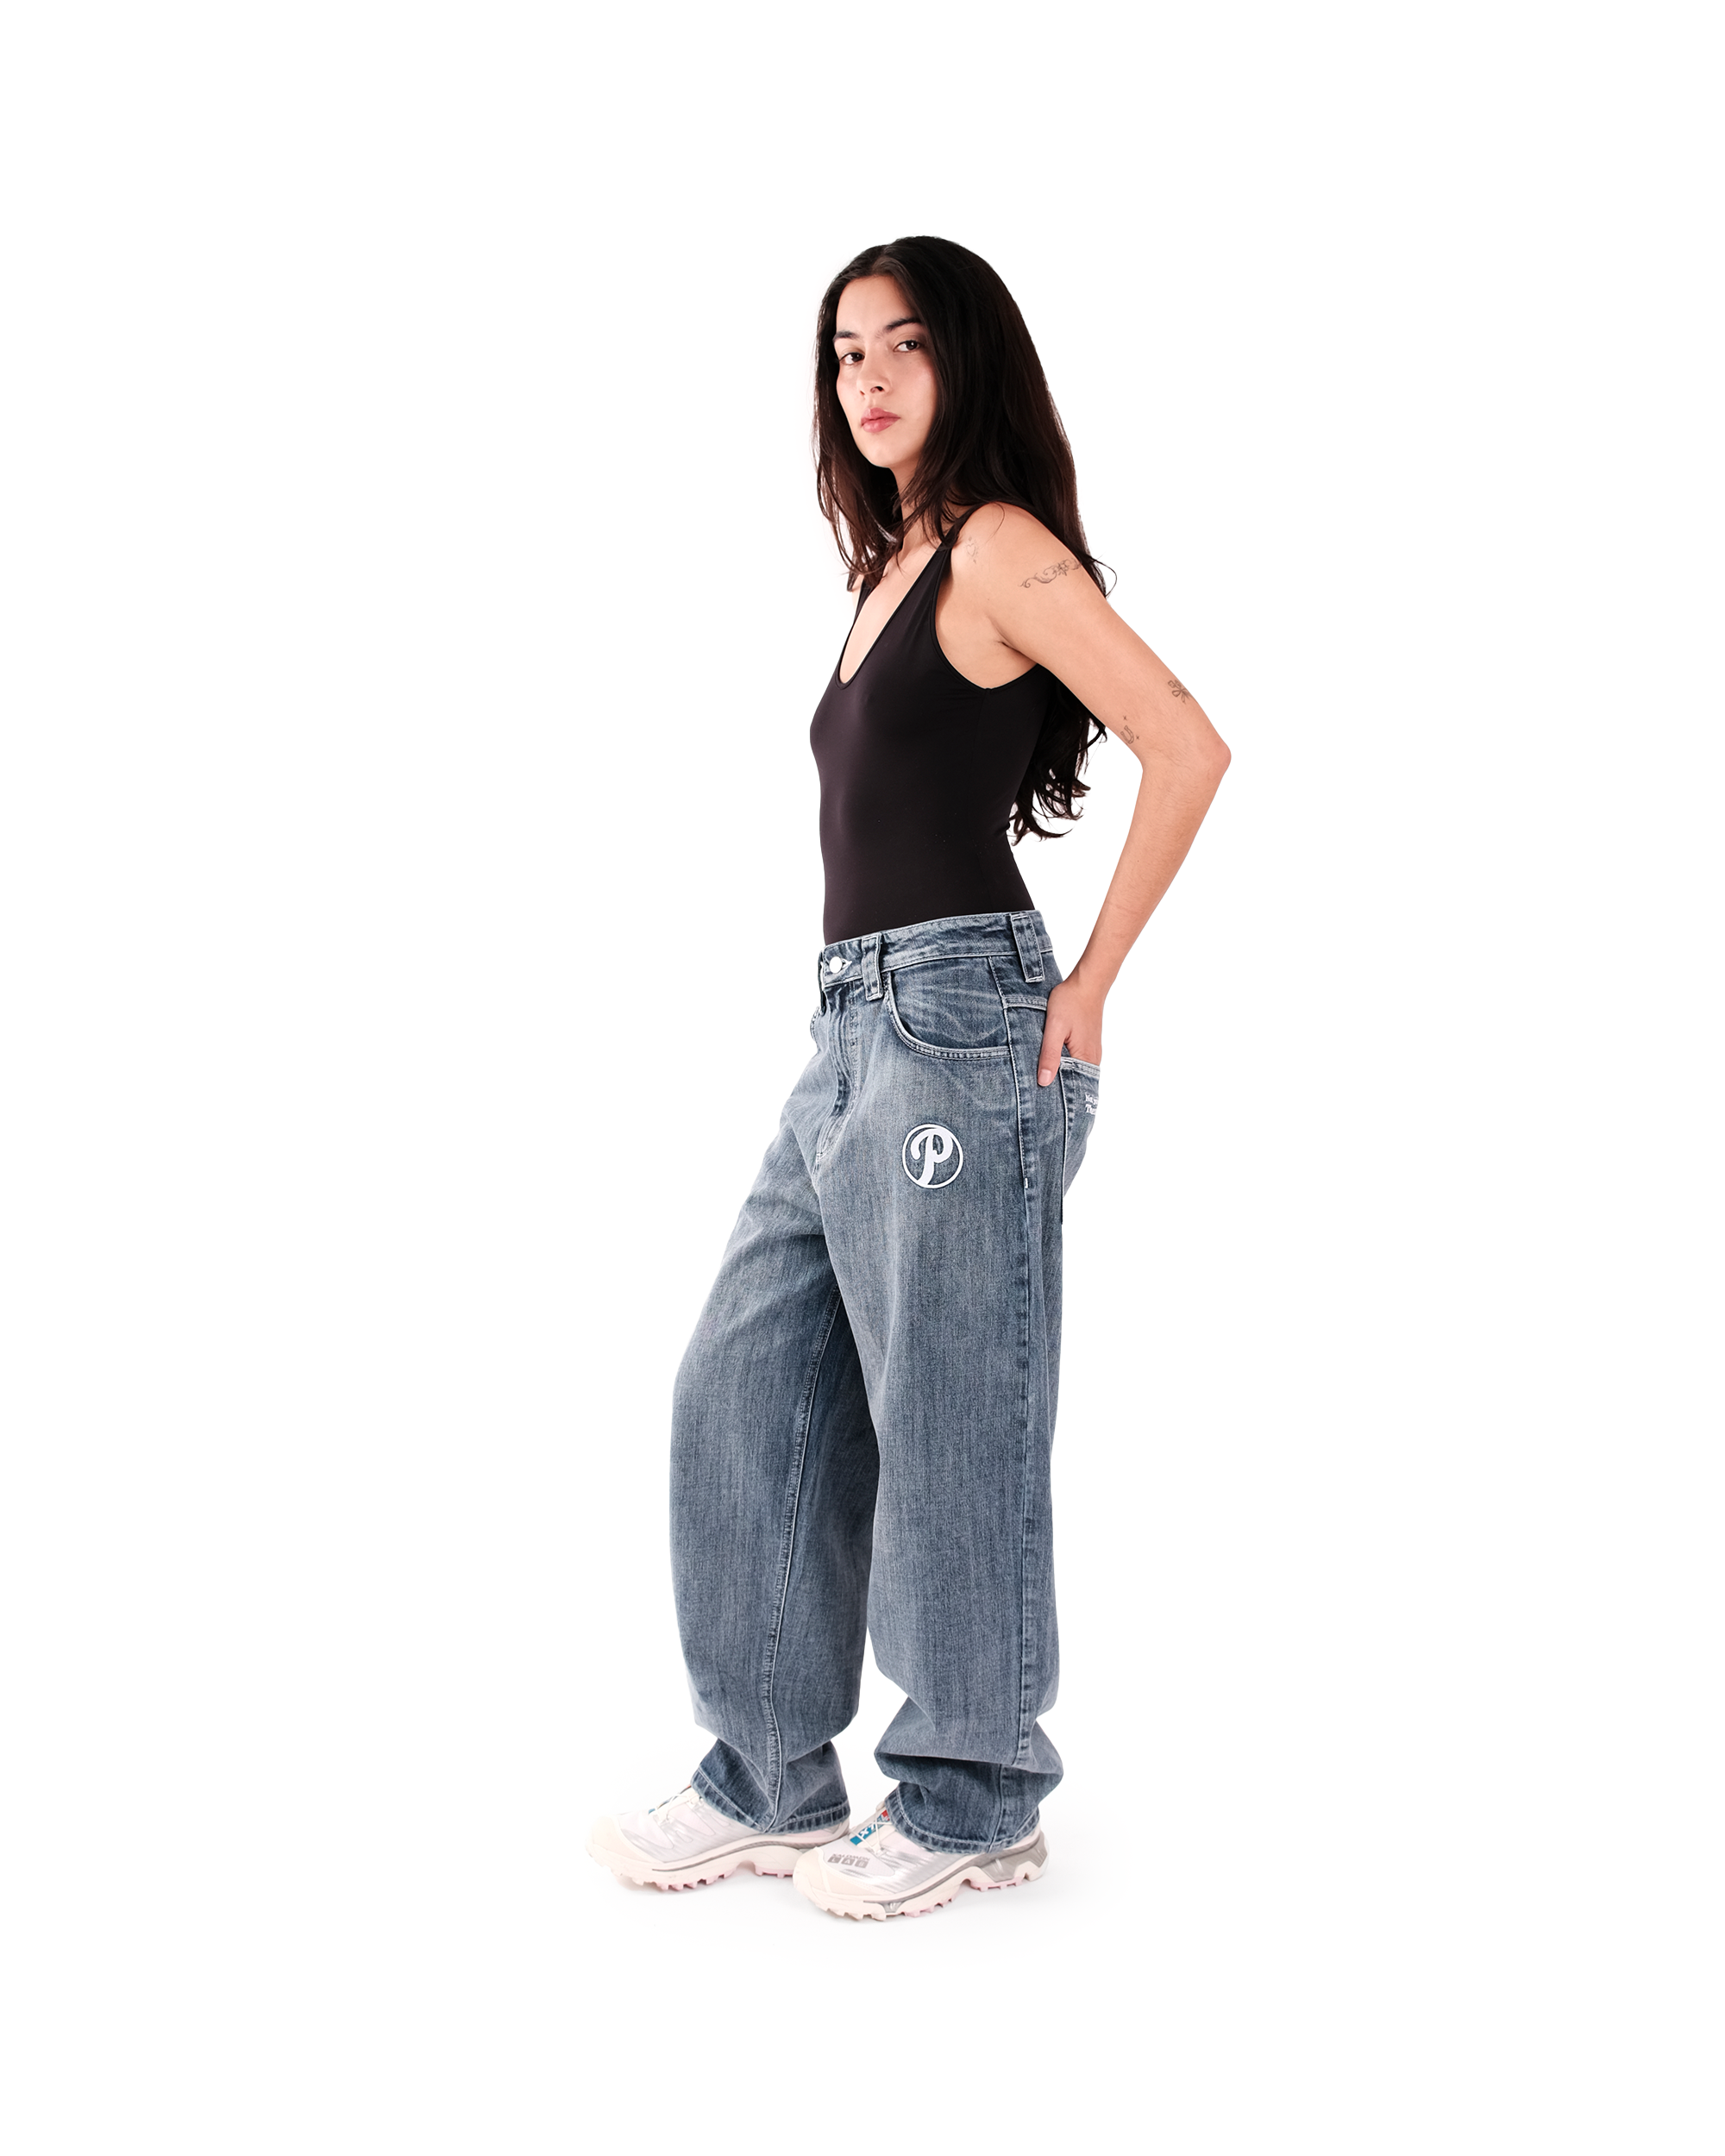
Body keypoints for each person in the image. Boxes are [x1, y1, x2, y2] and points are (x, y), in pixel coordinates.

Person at [588, 235, 1230, 1921]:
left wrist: (1090, 984)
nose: (865, 378)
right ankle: (769, 1772)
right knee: (739, 1385)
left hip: (960, 1020)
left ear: (967, 362)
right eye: (843, 351)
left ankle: (971, 1793)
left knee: (952, 1411)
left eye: (903, 346)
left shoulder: (1001, 547)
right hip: (848, 1025)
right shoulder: (893, 563)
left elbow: (1187, 741)